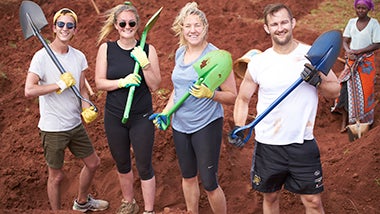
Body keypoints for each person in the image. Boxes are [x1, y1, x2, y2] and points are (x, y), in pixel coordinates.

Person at [229, 3, 340, 213]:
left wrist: (318, 81)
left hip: (302, 143)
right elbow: (243, 99)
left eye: (283, 22)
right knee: (270, 197)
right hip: (268, 145)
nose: (280, 28)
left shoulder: (312, 56)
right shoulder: (259, 63)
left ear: (293, 23)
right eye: (274, 24)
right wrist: (240, 125)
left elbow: (335, 91)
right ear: (266, 28)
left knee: (313, 202)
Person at [150, 2, 237, 214]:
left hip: (206, 124)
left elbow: (233, 96)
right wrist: (166, 113)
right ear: (182, 29)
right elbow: (178, 90)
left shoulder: (217, 57)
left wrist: (211, 93)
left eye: (197, 25)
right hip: (181, 125)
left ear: (205, 27)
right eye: (188, 26)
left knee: (209, 183)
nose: (193, 30)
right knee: (188, 176)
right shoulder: (180, 53)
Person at [24, 8, 109, 212]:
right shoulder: (41, 56)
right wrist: (58, 85)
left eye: (69, 25)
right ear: (54, 28)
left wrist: (86, 107)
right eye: (60, 24)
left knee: (93, 163)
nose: (65, 28)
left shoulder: (78, 57)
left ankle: (81, 202)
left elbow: (81, 90)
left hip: (75, 125)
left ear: (75, 30)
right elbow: (29, 90)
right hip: (53, 128)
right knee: (57, 176)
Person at [95, 2, 161, 214]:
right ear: (116, 25)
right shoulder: (107, 49)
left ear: (138, 24)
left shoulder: (148, 50)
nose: (127, 26)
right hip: (114, 116)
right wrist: (121, 82)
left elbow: (155, 85)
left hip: (141, 116)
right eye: (122, 23)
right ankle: (128, 203)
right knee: (122, 163)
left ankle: (149, 210)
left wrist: (145, 64)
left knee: (144, 165)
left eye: (131, 23)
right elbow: (99, 82)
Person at [332, 0, 380, 133]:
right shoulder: (352, 22)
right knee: (345, 88)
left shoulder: (374, 24)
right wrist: (348, 50)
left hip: (366, 63)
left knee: (365, 92)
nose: (360, 11)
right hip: (352, 61)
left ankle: (362, 124)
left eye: (363, 8)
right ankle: (345, 119)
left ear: (369, 9)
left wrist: (359, 51)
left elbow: (377, 44)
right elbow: (345, 40)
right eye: (358, 8)